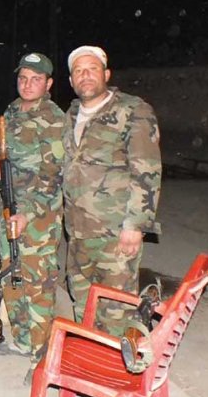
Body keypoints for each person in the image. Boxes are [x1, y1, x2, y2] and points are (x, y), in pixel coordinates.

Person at [62, 45, 162, 337]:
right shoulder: (70, 115)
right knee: (83, 302)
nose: (85, 75)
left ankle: (115, 372)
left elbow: (147, 171)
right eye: (78, 71)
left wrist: (136, 225)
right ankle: (86, 360)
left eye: (92, 69)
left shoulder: (132, 110)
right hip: (77, 233)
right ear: (71, 81)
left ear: (106, 74)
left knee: (116, 309)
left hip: (115, 234)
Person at [0, 52, 65, 381]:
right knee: (10, 275)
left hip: (38, 218)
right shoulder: (12, 111)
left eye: (35, 79)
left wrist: (27, 214)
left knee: (38, 285)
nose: (27, 84)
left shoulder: (55, 119)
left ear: (48, 84)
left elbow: (53, 176)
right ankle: (21, 339)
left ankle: (43, 355)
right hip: (7, 208)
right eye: (23, 78)